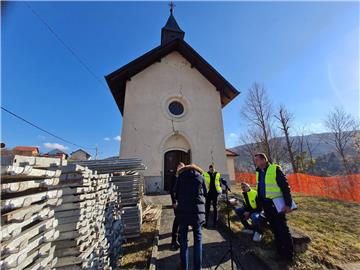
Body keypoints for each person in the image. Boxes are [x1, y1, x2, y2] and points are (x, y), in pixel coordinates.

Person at [254, 153, 294, 261]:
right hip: (266, 205)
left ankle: (289, 255)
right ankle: (280, 253)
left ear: (263, 160)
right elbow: (259, 188)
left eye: (257, 160)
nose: (256, 162)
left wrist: (288, 204)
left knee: (282, 229)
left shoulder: (275, 169)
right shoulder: (258, 172)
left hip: (277, 205)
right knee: (275, 230)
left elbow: (285, 187)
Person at [175, 164, 207, 270]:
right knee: (198, 240)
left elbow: (176, 193)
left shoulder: (180, 177)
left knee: (183, 240)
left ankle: (184, 267)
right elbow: (205, 193)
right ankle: (198, 268)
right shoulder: (201, 177)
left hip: (183, 212)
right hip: (197, 213)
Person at [170, 162, 185, 249]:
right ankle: (173, 240)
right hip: (177, 202)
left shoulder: (183, 177)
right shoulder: (174, 177)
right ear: (177, 168)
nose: (181, 169)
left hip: (183, 202)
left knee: (182, 220)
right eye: (180, 167)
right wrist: (174, 202)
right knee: (177, 220)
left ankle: (180, 238)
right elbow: (172, 191)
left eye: (182, 168)